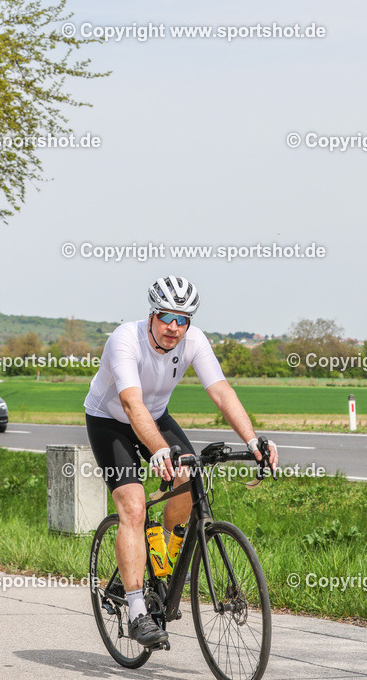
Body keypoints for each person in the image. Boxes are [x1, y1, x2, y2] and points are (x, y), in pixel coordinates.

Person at [84, 275, 278, 648]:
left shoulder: (194, 341)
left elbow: (221, 391)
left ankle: (164, 563)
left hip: (155, 416)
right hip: (110, 421)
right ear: (152, 314)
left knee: (188, 477)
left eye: (183, 319)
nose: (174, 327)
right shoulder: (125, 339)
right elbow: (130, 403)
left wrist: (253, 440)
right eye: (167, 317)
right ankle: (138, 609)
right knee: (134, 507)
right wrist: (157, 450)